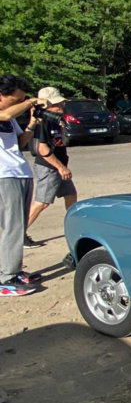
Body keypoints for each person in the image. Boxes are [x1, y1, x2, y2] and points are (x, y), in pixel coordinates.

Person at [0, 75, 42, 296]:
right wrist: (30, 102)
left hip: (21, 173)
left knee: (19, 226)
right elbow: (6, 113)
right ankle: (5, 279)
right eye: (16, 100)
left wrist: (33, 122)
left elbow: (21, 142)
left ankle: (13, 271)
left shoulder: (10, 119)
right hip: (4, 176)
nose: (19, 104)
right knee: (13, 228)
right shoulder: (5, 114)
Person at [26, 87, 78, 241]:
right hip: (49, 168)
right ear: (45, 106)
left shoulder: (54, 120)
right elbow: (42, 149)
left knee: (70, 195)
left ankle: (73, 226)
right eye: (56, 104)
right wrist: (60, 167)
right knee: (42, 202)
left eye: (61, 103)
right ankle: (19, 234)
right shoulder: (42, 122)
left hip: (60, 167)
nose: (61, 106)